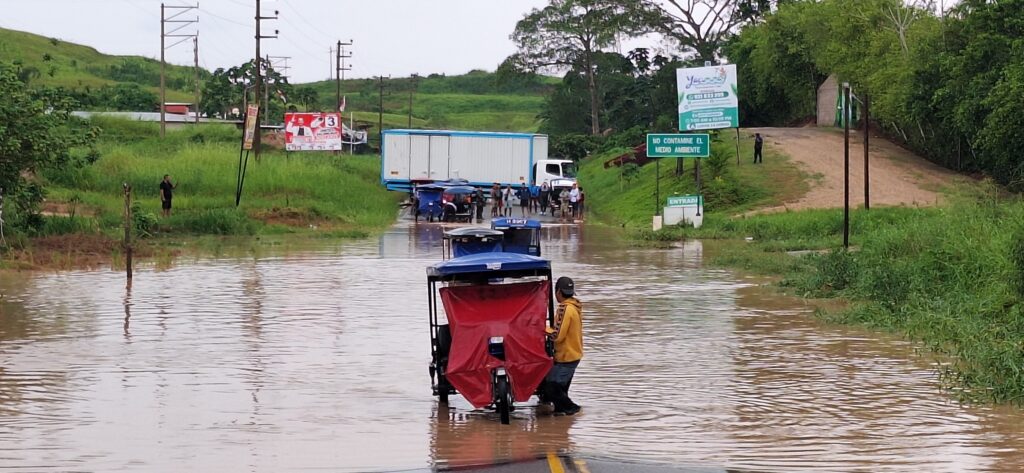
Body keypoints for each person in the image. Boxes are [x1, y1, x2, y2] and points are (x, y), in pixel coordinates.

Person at [545, 276, 583, 416]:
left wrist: (543, 328)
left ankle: (574, 409)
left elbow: (557, 336)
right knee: (560, 392)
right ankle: (562, 423)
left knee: (550, 387)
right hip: (574, 354)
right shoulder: (575, 306)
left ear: (558, 292)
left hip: (566, 356)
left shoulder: (564, 309)